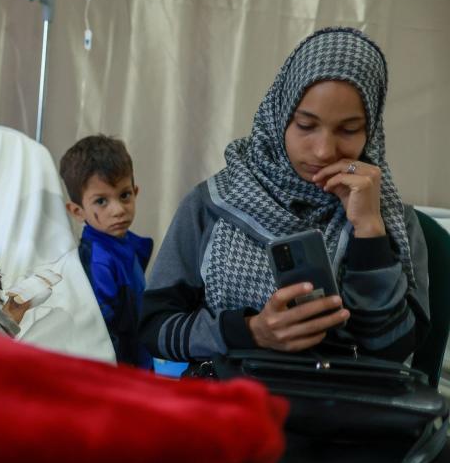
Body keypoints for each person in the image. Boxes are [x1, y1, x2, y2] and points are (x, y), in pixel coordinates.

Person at [139, 27, 430, 373]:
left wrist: (369, 232)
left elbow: (392, 351)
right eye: (306, 125)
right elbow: (155, 328)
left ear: (371, 131)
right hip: (229, 407)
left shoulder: (390, 219)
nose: (323, 151)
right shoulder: (215, 203)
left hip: (343, 414)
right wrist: (249, 332)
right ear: (279, 116)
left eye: (349, 130)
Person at [60, 135, 154, 368]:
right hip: (120, 373)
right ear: (77, 211)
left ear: (135, 191)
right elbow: (101, 337)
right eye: (101, 201)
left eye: (124, 195)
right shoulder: (98, 262)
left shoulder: (128, 245)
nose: (118, 210)